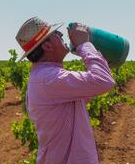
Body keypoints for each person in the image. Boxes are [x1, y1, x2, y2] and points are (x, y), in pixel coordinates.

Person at [15, 17, 115, 164]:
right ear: (47, 47)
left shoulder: (46, 76)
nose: (62, 35)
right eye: (56, 34)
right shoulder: (49, 78)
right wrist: (84, 44)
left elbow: (89, 92)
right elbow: (104, 81)